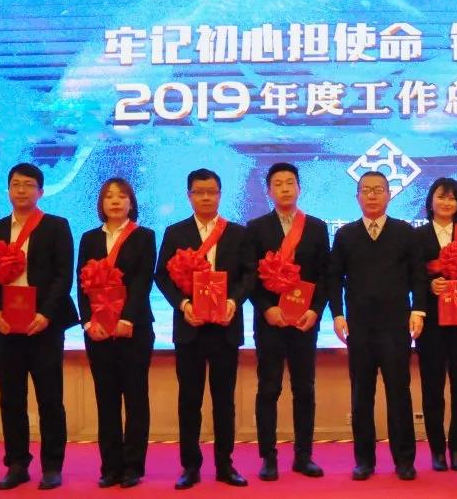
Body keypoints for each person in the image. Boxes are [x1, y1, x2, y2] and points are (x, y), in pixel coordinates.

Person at [155, 168, 256, 489]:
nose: (206, 197)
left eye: (211, 192)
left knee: (224, 400)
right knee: (190, 400)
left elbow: (249, 275)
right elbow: (162, 276)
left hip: (225, 327)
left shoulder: (237, 233)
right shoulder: (175, 233)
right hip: (190, 329)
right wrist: (183, 305)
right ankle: (190, 467)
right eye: (199, 192)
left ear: (220, 195)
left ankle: (225, 465)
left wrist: (234, 302)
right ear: (189, 196)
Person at [0, 162, 78, 490]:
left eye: (29, 185)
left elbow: (64, 275)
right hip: (5, 326)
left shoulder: (56, 226)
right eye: (16, 184)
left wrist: (46, 314)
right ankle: (17, 464)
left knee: (50, 398)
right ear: (8, 190)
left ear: (41, 191)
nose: (21, 190)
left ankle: (52, 466)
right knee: (11, 398)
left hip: (43, 325)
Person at [326, 171, 428, 481]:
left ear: (389, 195)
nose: (372, 195)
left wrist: (419, 310)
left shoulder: (405, 232)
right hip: (359, 327)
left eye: (379, 190)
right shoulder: (345, 235)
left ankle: (404, 461)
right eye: (366, 190)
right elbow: (333, 278)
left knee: (399, 394)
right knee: (361, 395)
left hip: (395, 326)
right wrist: (338, 314)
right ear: (357, 197)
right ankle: (364, 461)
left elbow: (418, 276)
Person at [246, 163, 330, 481]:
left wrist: (316, 310)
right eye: (278, 184)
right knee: (269, 388)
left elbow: (325, 275)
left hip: (304, 322)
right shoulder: (256, 228)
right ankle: (268, 458)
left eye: (290, 182)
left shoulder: (317, 227)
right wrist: (267, 308)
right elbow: (249, 275)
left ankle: (303, 456)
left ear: (299, 188)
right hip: (270, 322)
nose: (285, 188)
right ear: (269, 191)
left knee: (304, 389)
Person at [76, 178, 156, 488]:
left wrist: (128, 319)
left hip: (134, 330)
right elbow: (81, 283)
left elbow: (142, 282)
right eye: (109, 196)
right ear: (101, 203)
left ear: (131, 203)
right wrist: (87, 322)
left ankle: (133, 466)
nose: (115, 201)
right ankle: (110, 467)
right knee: (106, 399)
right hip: (98, 331)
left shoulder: (144, 236)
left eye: (122, 196)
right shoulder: (89, 238)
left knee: (135, 398)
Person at [414, 177, 457, 472]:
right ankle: (437, 450)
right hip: (431, 323)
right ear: (431, 201)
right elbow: (413, 275)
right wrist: (430, 286)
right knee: (433, 387)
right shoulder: (418, 236)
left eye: (452, 198)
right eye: (441, 197)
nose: (446, 202)